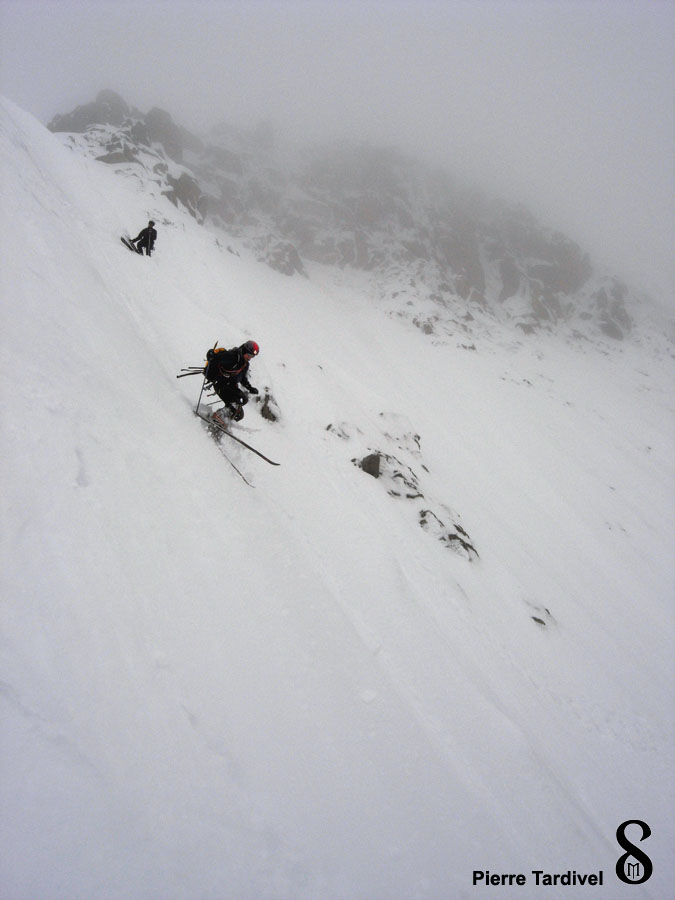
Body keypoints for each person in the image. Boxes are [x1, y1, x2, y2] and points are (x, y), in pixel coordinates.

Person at [204, 340, 260, 421]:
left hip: (230, 385)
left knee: (241, 408)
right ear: (244, 351)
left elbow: (243, 378)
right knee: (234, 404)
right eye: (249, 355)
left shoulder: (245, 364)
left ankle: (225, 421)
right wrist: (211, 354)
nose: (250, 358)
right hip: (220, 383)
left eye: (252, 356)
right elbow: (216, 357)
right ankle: (217, 418)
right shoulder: (233, 356)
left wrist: (250, 388)